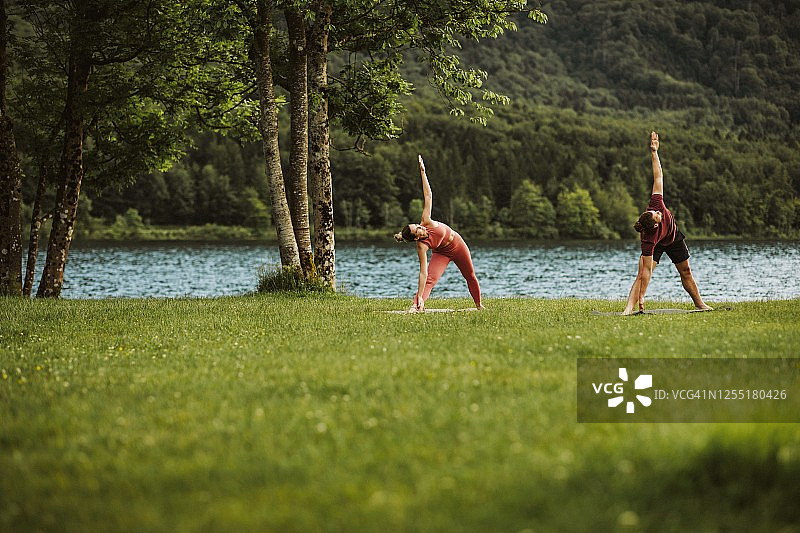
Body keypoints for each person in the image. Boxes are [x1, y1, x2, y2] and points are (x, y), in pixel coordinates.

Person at [623, 131, 712, 315]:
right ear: (654, 226)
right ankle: (628, 309)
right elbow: (646, 271)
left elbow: (658, 177)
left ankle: (700, 304)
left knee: (686, 271)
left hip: (673, 238)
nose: (660, 213)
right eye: (658, 216)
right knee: (640, 275)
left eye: (656, 213)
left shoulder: (656, 203)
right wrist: (642, 297)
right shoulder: (648, 239)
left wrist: (654, 152)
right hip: (658, 243)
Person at [394, 155, 484, 313]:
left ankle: (479, 305)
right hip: (442, 252)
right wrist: (420, 296)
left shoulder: (426, 220)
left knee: (470, 275)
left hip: (457, 244)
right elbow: (423, 272)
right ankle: (416, 306)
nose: (421, 227)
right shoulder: (421, 246)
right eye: (418, 230)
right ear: (416, 237)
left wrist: (423, 172)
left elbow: (428, 195)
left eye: (417, 225)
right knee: (430, 280)